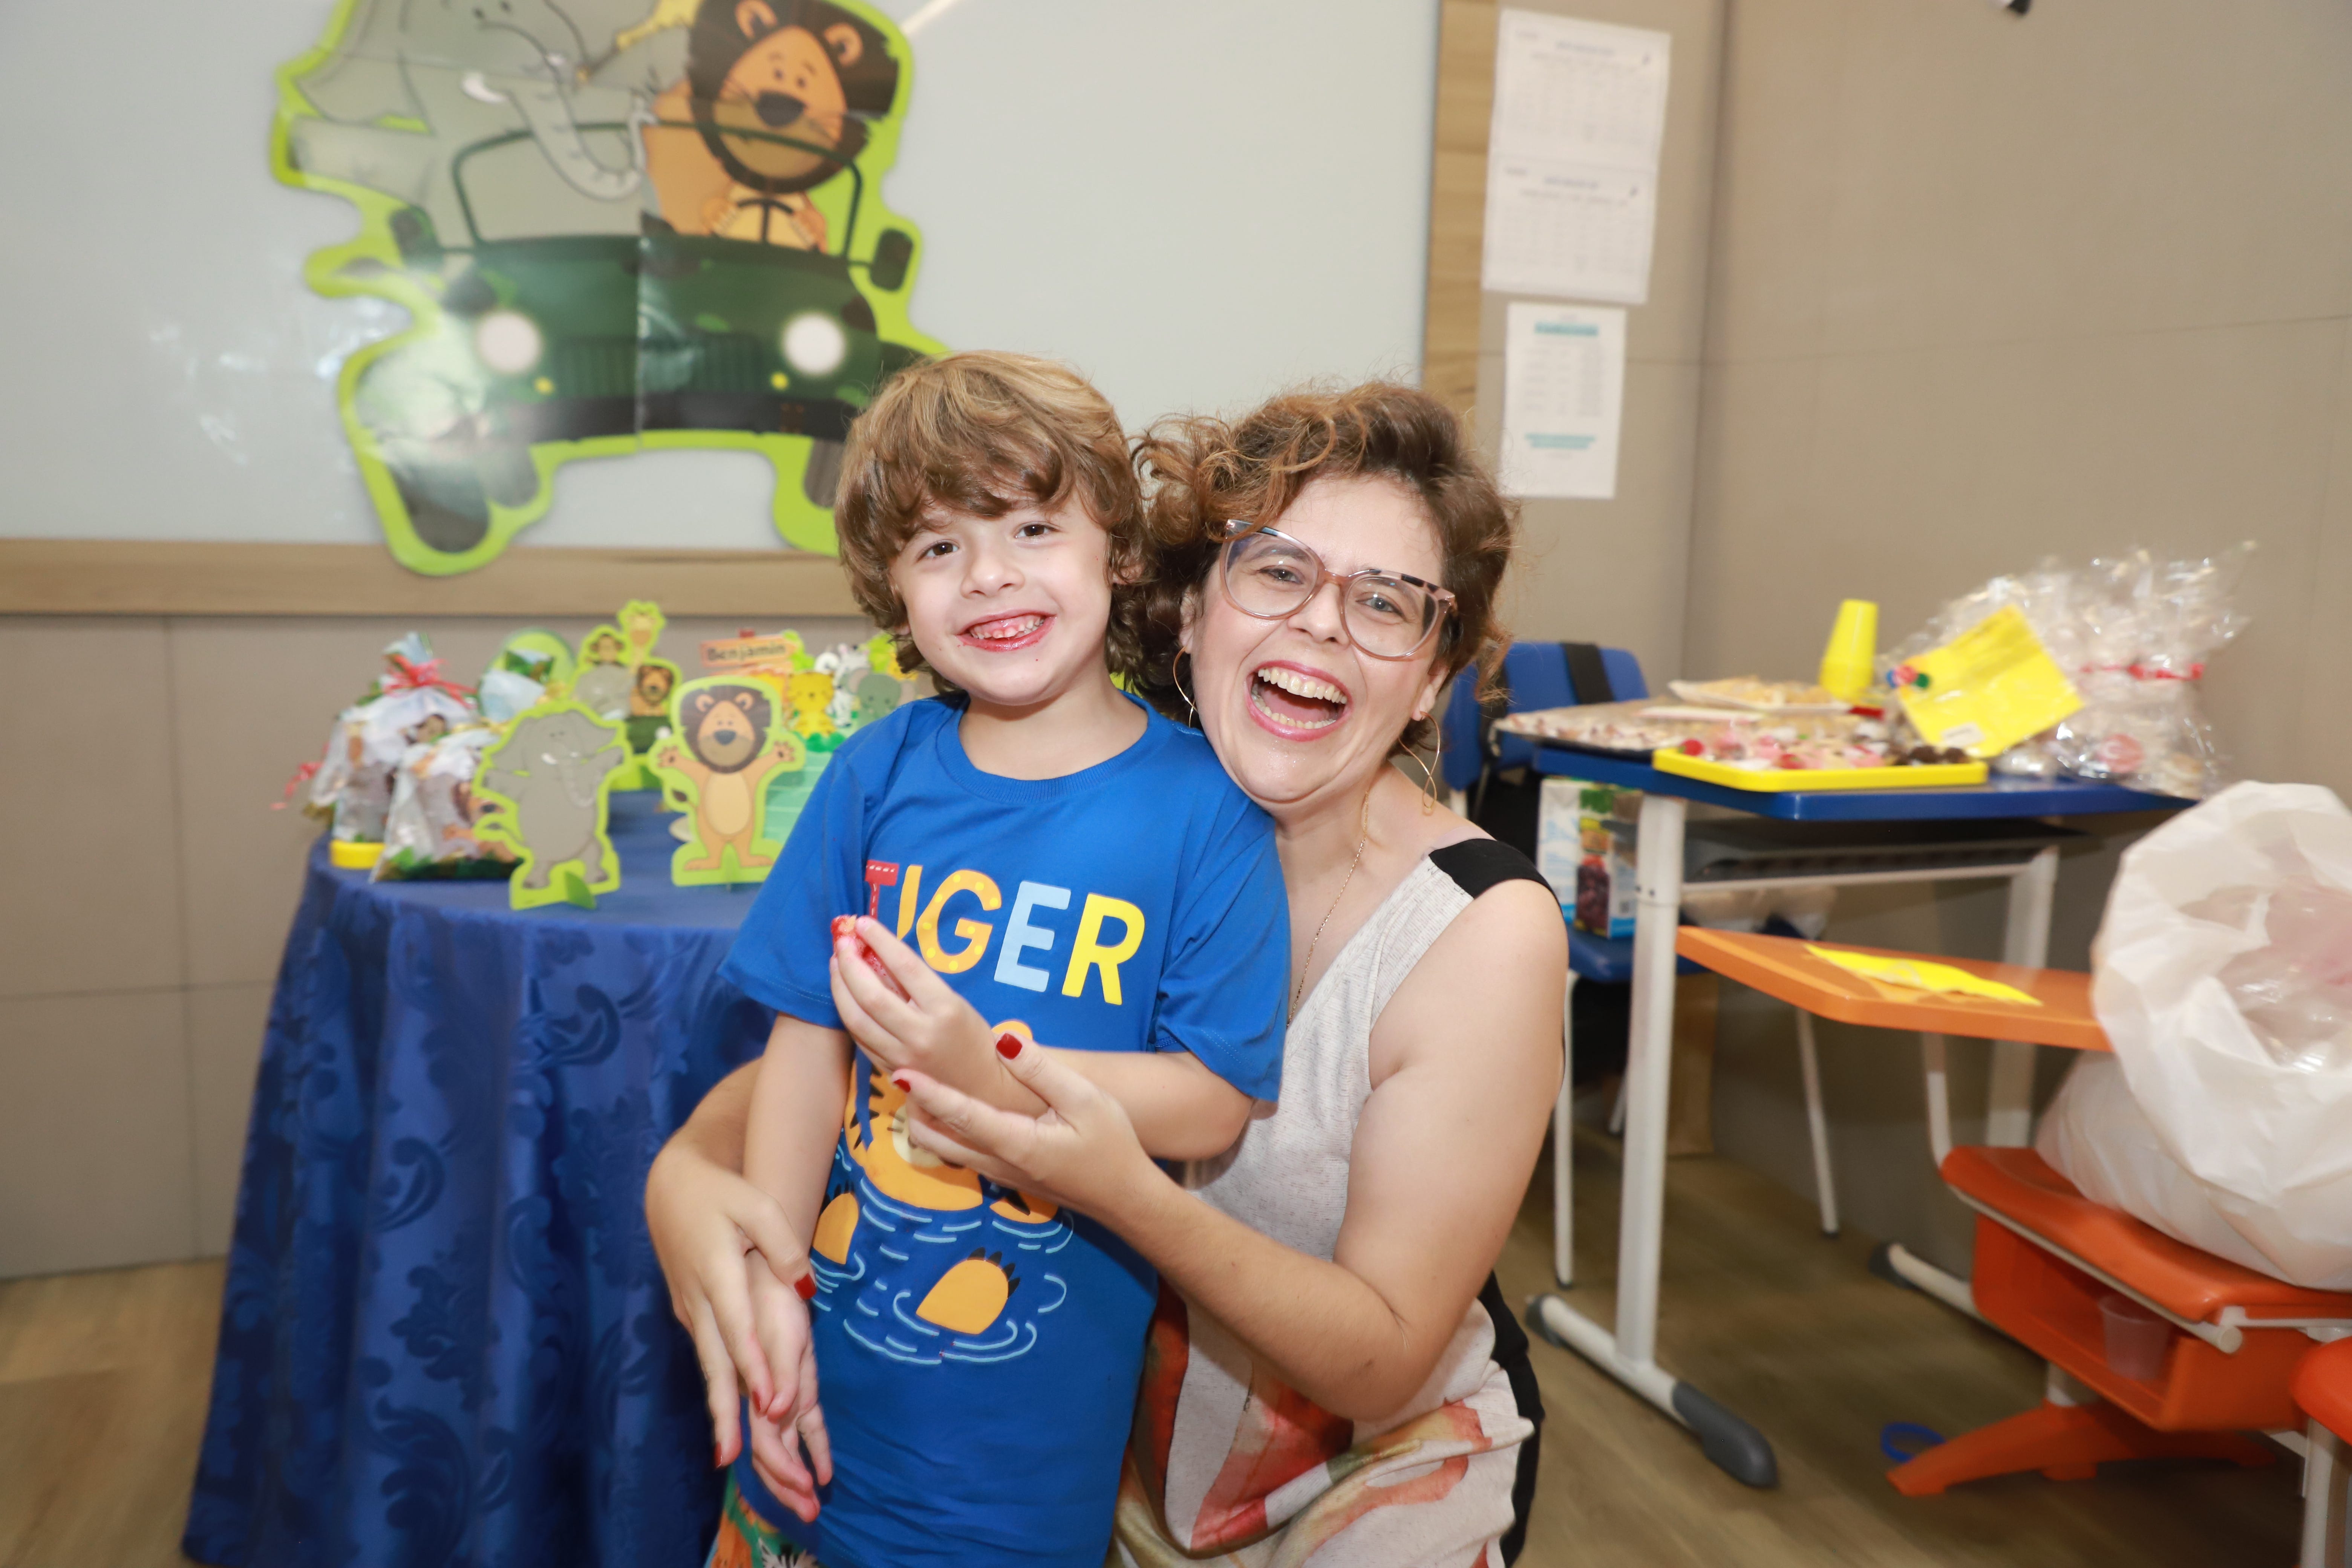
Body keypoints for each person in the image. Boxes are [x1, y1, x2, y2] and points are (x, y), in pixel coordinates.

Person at [651, 381, 1566, 1567]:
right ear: (1189, 610)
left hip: (1359, 1471)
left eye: (1385, 602)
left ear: (1434, 676)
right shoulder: (1039, 805)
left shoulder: (1481, 931)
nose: (1323, 626)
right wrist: (682, 1181)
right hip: (1096, 1457)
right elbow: (845, 1054)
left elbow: (1384, 1360)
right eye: (1279, 572)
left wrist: (1111, 1180)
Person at [708, 352, 1293, 1568]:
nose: (989, 575)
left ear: (1116, 548)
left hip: (1020, 1447)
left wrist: (994, 1070)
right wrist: (770, 1280)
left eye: (1033, 527)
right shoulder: (875, 774)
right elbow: (806, 1047)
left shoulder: (1206, 810)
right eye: (939, 547)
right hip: (813, 1383)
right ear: (895, 588)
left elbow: (1213, 1099)